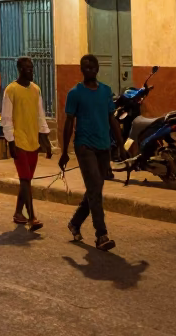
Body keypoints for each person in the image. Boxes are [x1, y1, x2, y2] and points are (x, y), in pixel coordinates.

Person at [59, 54, 124, 251]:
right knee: (95, 189)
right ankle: (101, 235)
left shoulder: (105, 91)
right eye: (85, 67)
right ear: (81, 69)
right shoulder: (75, 93)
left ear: (97, 69)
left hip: (103, 147)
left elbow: (112, 119)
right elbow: (69, 123)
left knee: (95, 189)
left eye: (92, 67)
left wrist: (121, 145)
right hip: (84, 146)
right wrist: (64, 151)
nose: (89, 70)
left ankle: (75, 223)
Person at [2, 56, 53, 231]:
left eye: (32, 68)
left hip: (33, 141)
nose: (31, 71)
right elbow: (6, 119)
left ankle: (18, 212)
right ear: (20, 69)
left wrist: (46, 141)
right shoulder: (11, 90)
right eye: (27, 68)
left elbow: (40, 116)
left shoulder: (36, 90)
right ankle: (32, 217)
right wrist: (10, 142)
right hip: (19, 141)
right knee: (25, 180)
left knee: (27, 179)